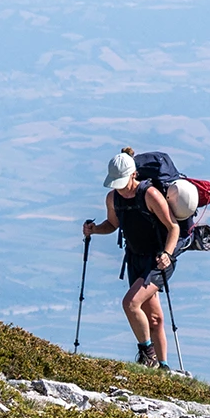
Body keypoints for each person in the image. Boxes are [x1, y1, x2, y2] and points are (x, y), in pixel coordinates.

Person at [82, 148, 181, 368]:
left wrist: (167, 254)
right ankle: (163, 368)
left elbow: (173, 227)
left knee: (130, 303)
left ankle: (148, 355)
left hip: (158, 260)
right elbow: (113, 224)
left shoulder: (150, 195)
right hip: (134, 259)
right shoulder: (113, 198)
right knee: (154, 318)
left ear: (133, 175)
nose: (118, 187)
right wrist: (94, 230)